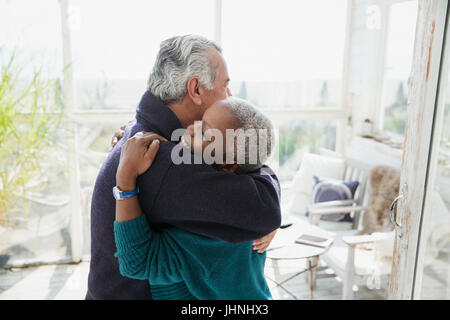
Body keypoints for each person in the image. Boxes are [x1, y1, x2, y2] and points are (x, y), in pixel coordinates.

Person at [86, 35, 281, 300]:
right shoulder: (164, 161)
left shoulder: (144, 131)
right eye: (225, 85)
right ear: (196, 89)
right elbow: (265, 211)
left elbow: (248, 170)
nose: (230, 96)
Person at [114, 98, 275, 299]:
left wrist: (125, 180)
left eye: (205, 134)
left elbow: (136, 263)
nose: (190, 129)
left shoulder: (206, 233)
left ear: (227, 165)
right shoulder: (252, 200)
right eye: (200, 120)